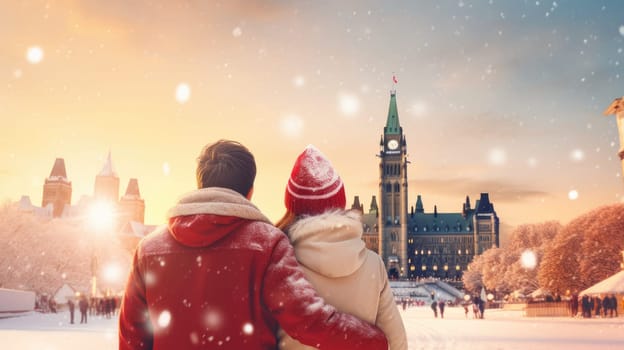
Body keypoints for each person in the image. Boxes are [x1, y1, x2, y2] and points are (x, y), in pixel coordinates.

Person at [118, 140, 388, 350]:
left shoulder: (148, 250)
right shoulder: (266, 244)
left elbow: (132, 338)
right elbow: (307, 319)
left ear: (201, 184)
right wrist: (375, 341)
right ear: (250, 191)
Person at [275, 145, 407, 350]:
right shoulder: (373, 265)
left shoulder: (277, 261)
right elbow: (396, 342)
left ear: (292, 207)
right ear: (340, 204)